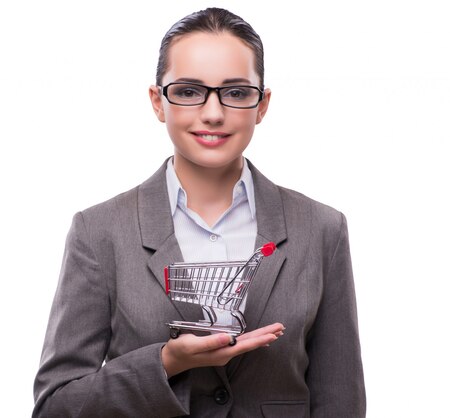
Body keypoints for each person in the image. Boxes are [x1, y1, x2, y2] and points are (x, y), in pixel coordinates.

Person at [32, 7, 365, 417]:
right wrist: (168, 364)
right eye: (189, 91)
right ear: (158, 102)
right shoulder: (99, 232)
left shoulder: (321, 229)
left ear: (262, 105)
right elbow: (56, 405)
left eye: (237, 92)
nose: (213, 112)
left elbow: (341, 401)